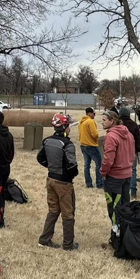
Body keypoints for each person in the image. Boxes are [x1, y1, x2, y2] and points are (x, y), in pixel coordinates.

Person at [36, 113, 78, 250]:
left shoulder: (47, 141)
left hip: (50, 179)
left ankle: (44, 239)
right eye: (68, 126)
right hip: (64, 183)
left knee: (53, 211)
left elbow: (40, 158)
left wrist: (51, 167)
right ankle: (68, 244)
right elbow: (72, 166)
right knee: (68, 214)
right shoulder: (68, 144)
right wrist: (68, 175)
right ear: (65, 127)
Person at [100, 109, 135, 236]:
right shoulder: (129, 134)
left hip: (114, 177)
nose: (102, 122)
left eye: (104, 120)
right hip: (127, 175)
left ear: (112, 121)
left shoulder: (111, 136)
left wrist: (103, 172)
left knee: (114, 206)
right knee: (125, 205)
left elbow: (108, 159)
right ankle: (126, 231)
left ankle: (117, 234)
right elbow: (133, 154)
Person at [118, 107, 140, 198]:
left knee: (120, 171)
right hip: (132, 151)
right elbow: (138, 138)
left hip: (120, 152)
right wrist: (138, 149)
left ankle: (122, 191)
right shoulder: (134, 125)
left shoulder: (118, 125)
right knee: (132, 171)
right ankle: (133, 191)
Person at [77, 107, 102, 189]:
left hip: (83, 145)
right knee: (99, 164)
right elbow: (95, 134)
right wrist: (97, 138)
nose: (94, 115)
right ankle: (99, 183)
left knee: (86, 165)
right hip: (91, 146)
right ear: (89, 113)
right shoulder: (90, 121)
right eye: (94, 113)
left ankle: (89, 184)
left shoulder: (81, 122)